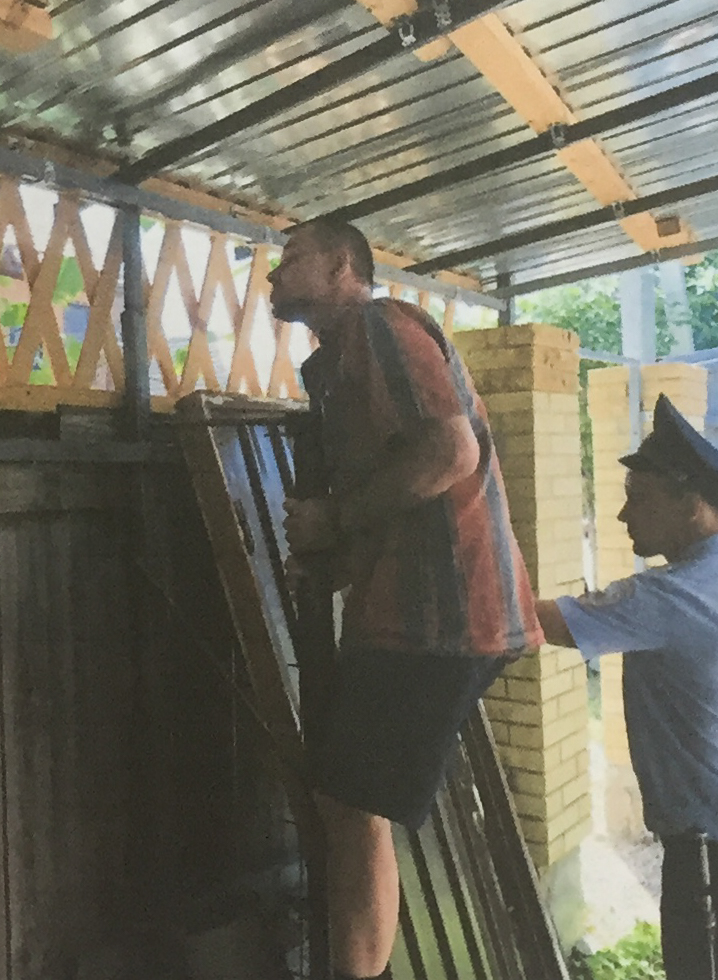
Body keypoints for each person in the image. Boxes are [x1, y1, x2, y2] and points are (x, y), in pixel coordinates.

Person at [273, 218, 543, 980]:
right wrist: (338, 559)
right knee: (346, 801)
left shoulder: (379, 325)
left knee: (352, 804)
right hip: (418, 612)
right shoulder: (335, 365)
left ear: (342, 267)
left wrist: (332, 521)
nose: (273, 273)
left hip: (440, 615)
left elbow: (450, 451)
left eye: (292, 257)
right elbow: (396, 487)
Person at [534, 395, 718, 980]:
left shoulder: (668, 598)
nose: (622, 515)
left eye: (638, 498)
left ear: (690, 504)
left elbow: (534, 623)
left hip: (717, 867)